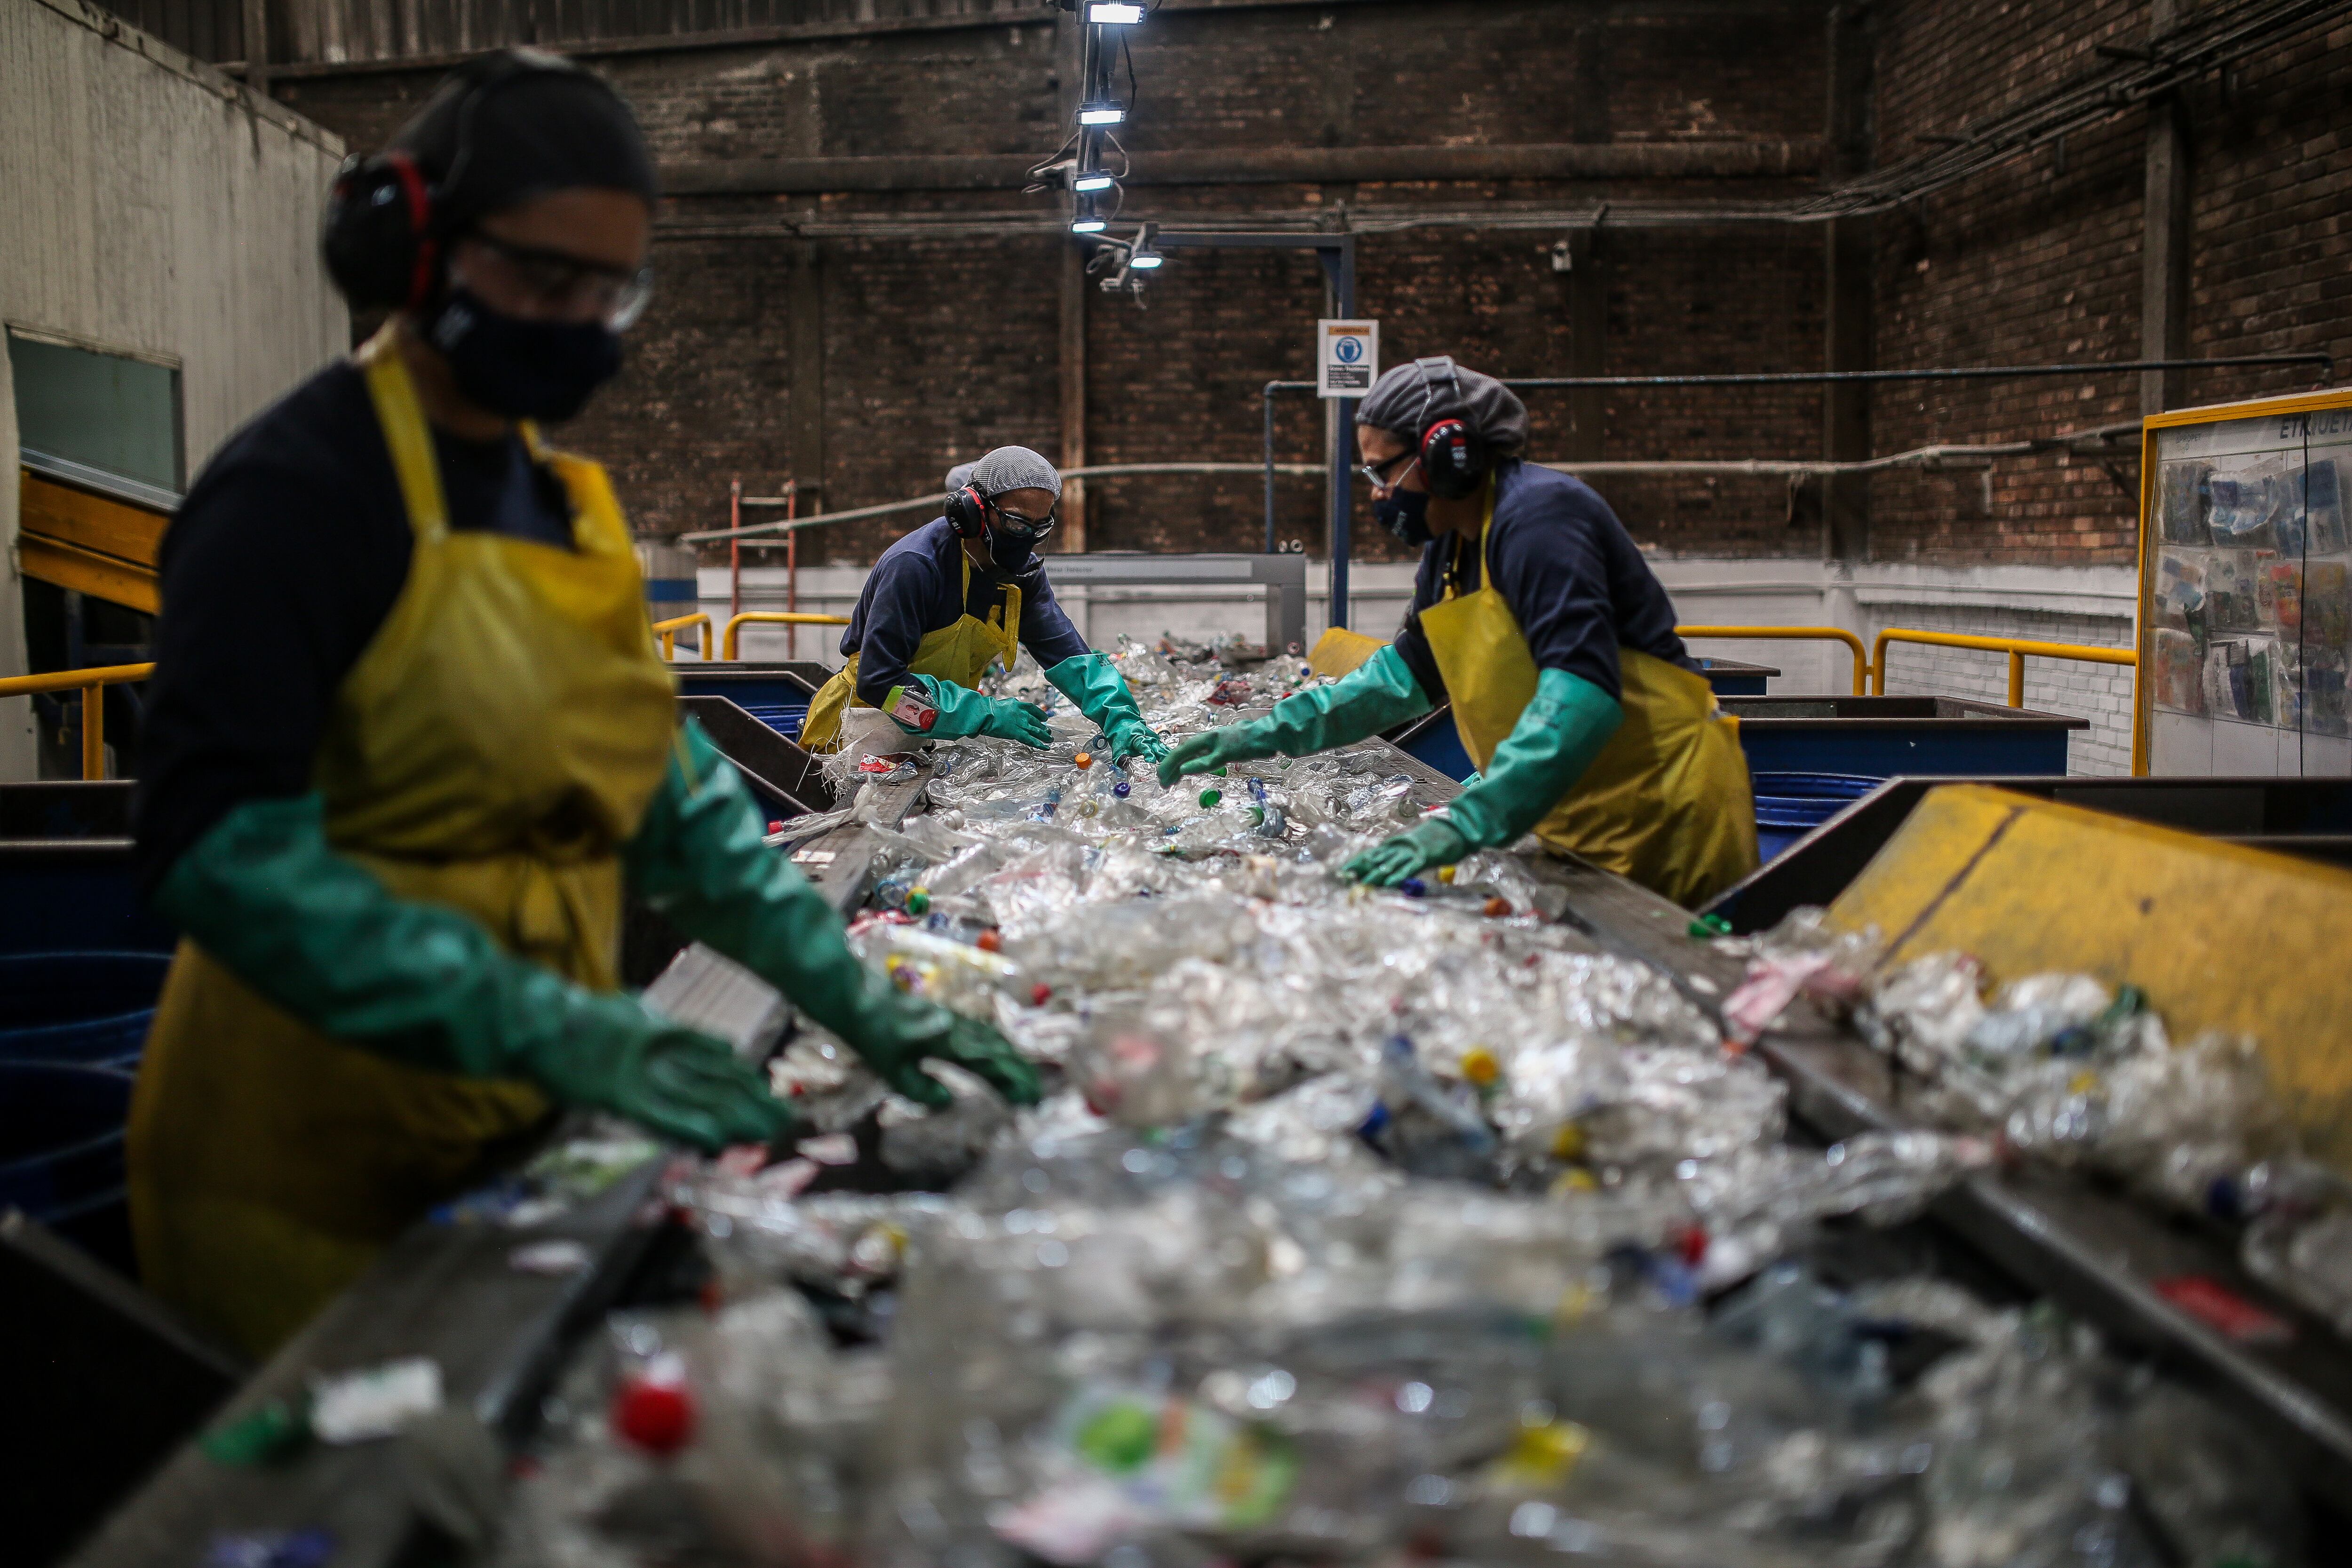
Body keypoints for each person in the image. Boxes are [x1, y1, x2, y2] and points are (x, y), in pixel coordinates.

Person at [127, 49, 1037, 1357]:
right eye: (541, 279)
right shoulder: (293, 493)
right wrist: (550, 1021)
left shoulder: (568, 511)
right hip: (306, 1158)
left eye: (609, 293)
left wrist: (850, 989)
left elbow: (670, 806)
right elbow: (216, 852)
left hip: (510, 1113)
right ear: (409, 246)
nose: (577, 325)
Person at [1161, 357, 1756, 908]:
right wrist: (1261, 735)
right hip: (1573, 813)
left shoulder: (1540, 518)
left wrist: (1466, 821)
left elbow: (1581, 693)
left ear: (1449, 455)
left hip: (1662, 814)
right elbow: (1399, 681)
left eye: (1383, 470)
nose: (1377, 494)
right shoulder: (1450, 551)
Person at [799, 446, 1169, 767]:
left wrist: (1122, 718)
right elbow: (882, 686)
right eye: (1017, 523)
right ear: (973, 511)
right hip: (854, 738)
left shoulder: (1019, 574)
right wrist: (983, 713)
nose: (1026, 539)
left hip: (928, 738)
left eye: (1040, 527)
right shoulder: (915, 567)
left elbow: (1067, 654)